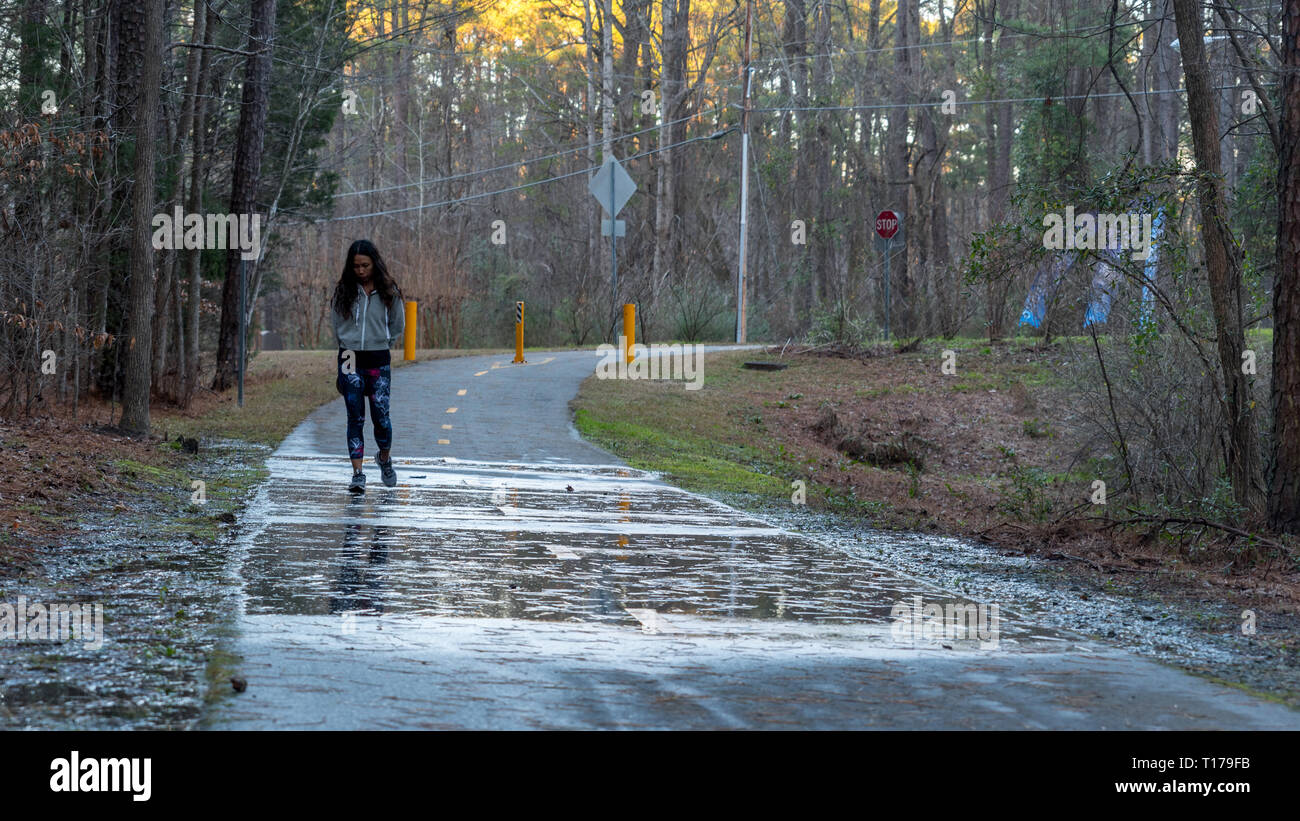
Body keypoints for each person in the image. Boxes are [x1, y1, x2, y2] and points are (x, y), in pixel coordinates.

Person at [331, 239, 405, 493]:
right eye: (355, 266)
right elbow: (336, 322)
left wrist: (384, 342)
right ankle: (358, 474)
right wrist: (344, 344)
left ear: (375, 264)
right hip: (350, 357)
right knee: (355, 415)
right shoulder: (344, 290)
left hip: (378, 357)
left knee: (381, 415)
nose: (360, 271)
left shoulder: (388, 290)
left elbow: (397, 324)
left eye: (365, 265)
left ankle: (384, 458)